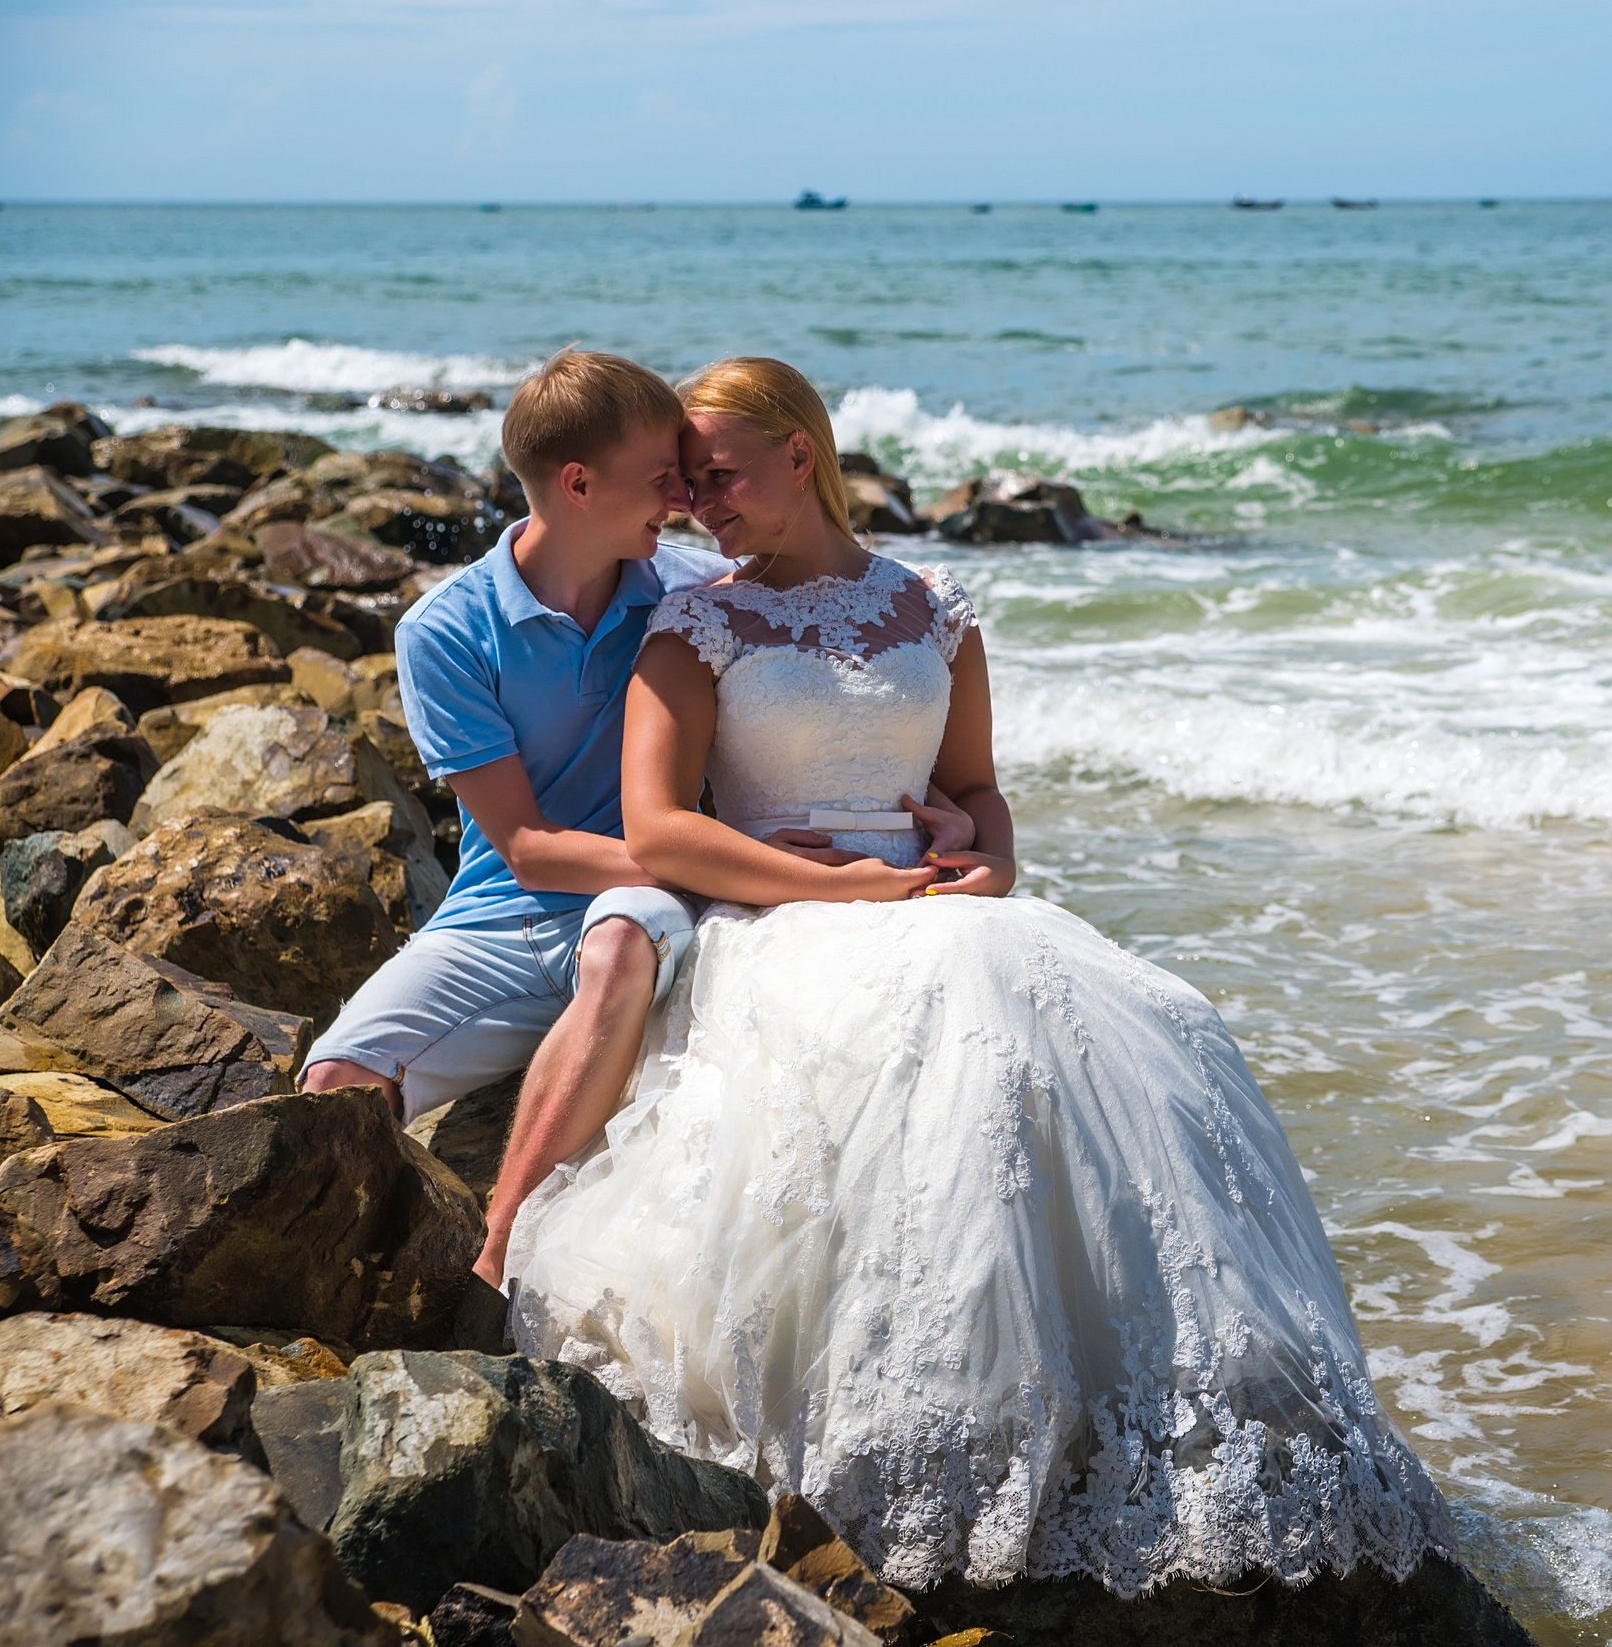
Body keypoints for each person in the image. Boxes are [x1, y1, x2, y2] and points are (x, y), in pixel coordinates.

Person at [505, 358, 1455, 1599]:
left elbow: (979, 791)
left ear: (801, 453)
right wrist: (844, 888)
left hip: (942, 906)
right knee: (934, 1041)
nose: (698, 502)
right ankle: (914, 1419)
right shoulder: (697, 625)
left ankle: (1137, 1406)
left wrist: (990, 858)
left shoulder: (935, 608)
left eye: (719, 473)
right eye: (684, 482)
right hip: (787, 915)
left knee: (1143, 1023)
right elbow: (662, 828)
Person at [300, 349, 731, 1287]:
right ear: (577, 483)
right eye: (663, 476)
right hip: (500, 918)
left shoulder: (697, 593)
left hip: (643, 909)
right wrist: (704, 858)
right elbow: (528, 849)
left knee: (620, 944)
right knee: (334, 1087)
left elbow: (837, 640)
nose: (685, 496)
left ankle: (494, 1259)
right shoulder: (444, 630)